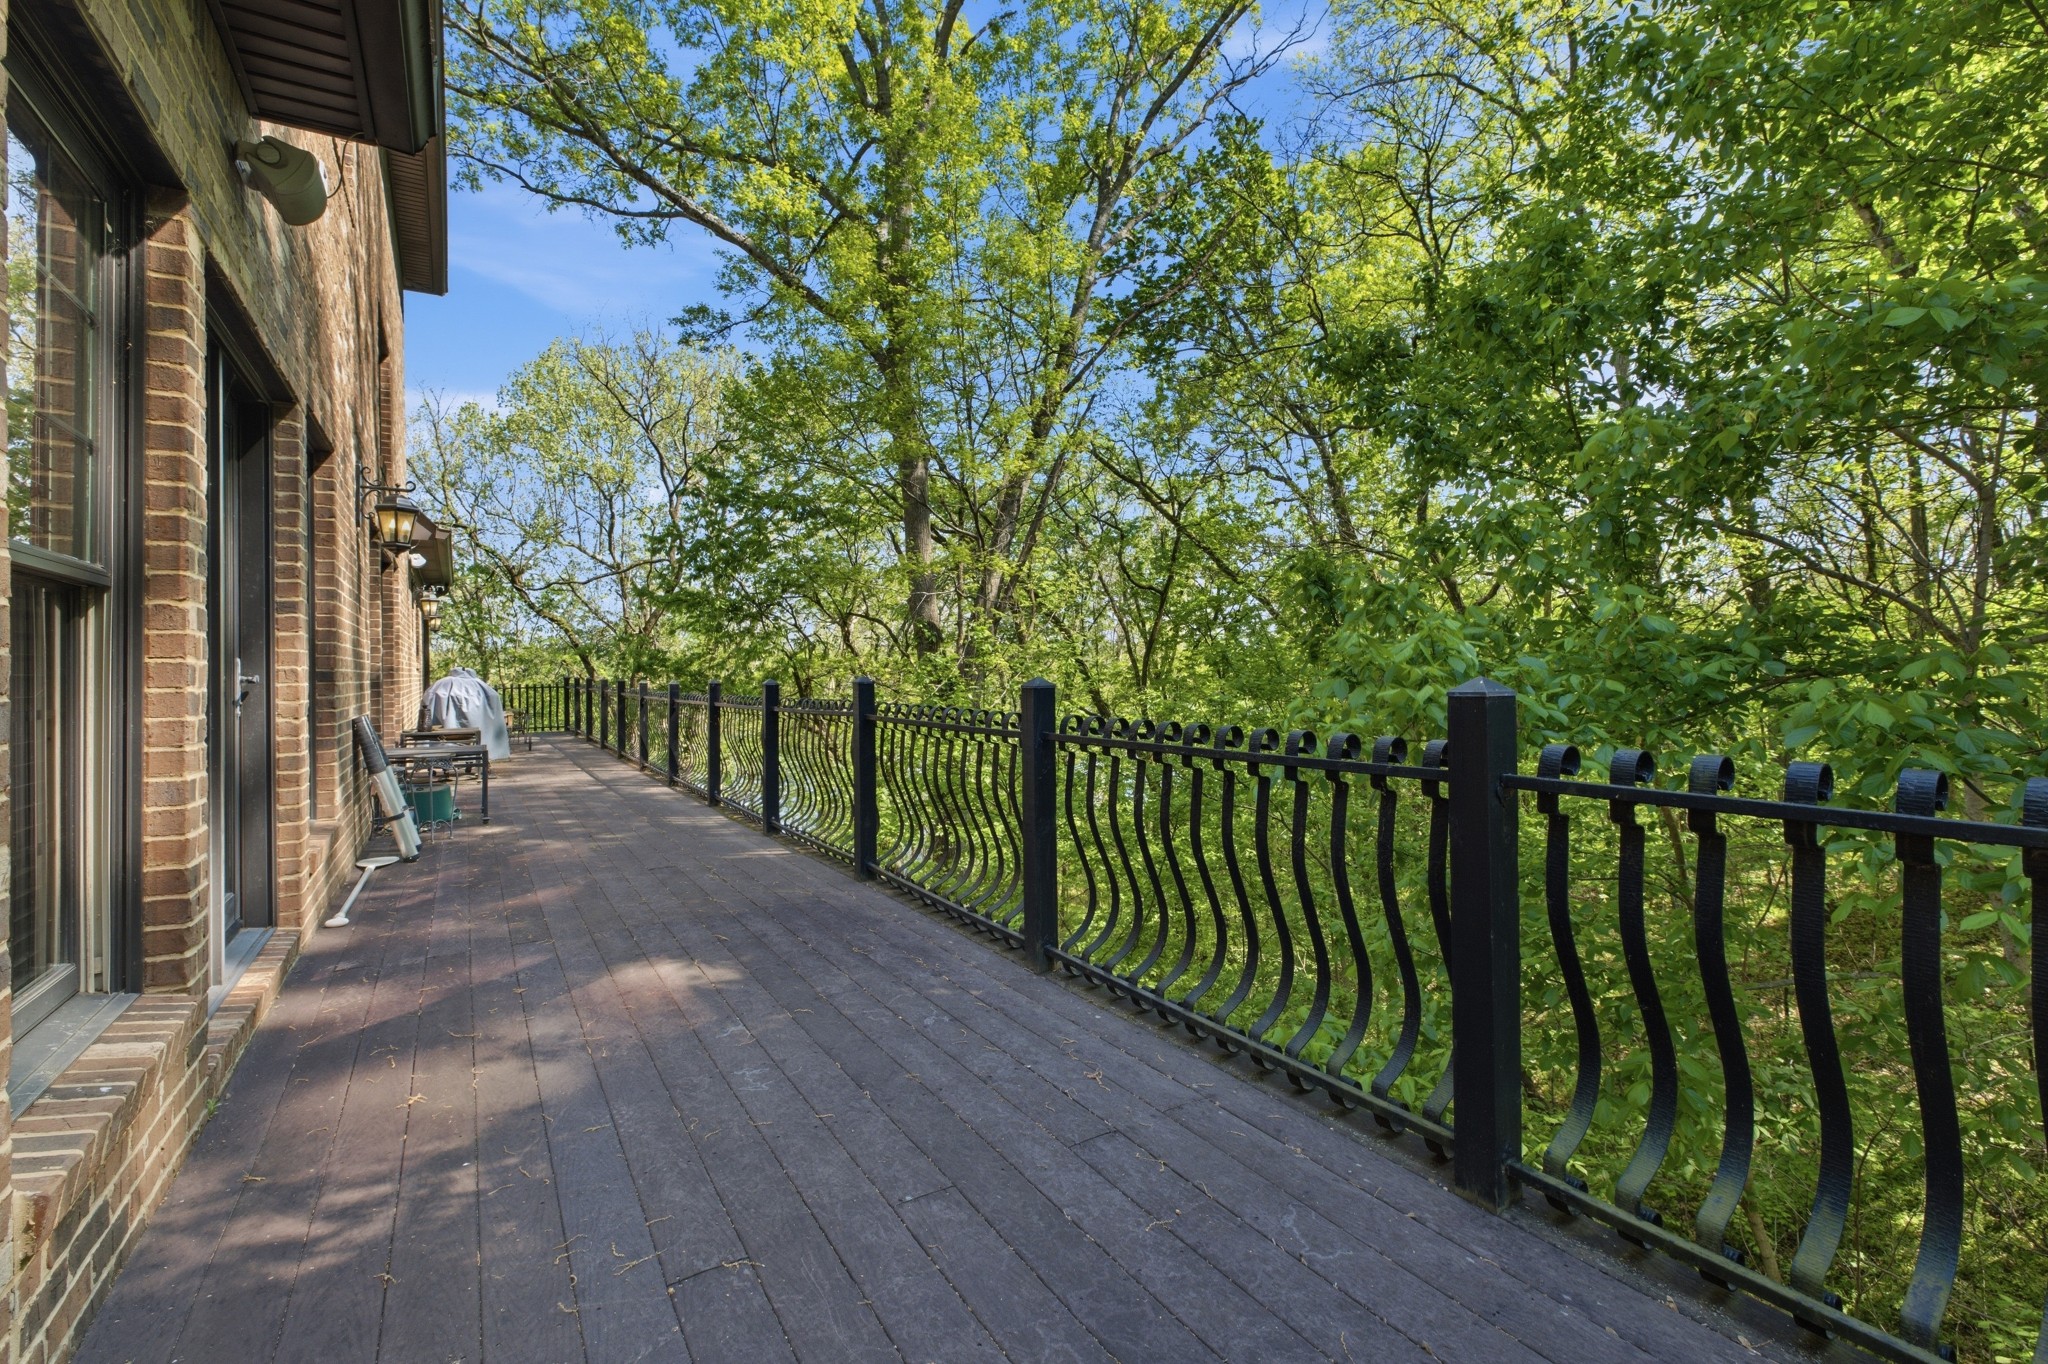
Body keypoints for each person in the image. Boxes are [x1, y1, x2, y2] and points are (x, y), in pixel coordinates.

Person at [418, 666, 512, 759]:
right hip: (473, 736)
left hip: (444, 737)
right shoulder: (483, 688)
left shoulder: (439, 686)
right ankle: (476, 758)